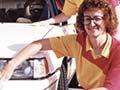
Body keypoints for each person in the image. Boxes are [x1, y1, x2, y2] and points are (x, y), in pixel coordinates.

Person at [0, 0, 120, 89]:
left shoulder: (117, 51)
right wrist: (10, 66)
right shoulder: (78, 42)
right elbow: (39, 44)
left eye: (97, 18)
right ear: (81, 21)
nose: (92, 23)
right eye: (87, 19)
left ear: (107, 20)